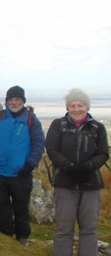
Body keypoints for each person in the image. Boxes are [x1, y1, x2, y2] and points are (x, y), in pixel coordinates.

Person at [46, 88, 109, 256]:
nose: (76, 109)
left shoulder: (98, 127)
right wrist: (70, 167)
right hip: (64, 183)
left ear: (87, 107)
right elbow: (51, 149)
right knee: (64, 228)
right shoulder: (58, 125)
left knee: (89, 229)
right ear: (67, 108)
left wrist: (87, 167)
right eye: (72, 105)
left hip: (91, 184)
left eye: (80, 105)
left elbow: (104, 153)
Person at [0, 85, 45, 246]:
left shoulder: (31, 120)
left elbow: (39, 144)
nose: (14, 102)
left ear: (23, 101)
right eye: (11, 99)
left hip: (21, 173)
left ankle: (23, 237)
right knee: (0, 205)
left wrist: (30, 164)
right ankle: (6, 235)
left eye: (17, 99)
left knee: (21, 207)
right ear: (7, 101)